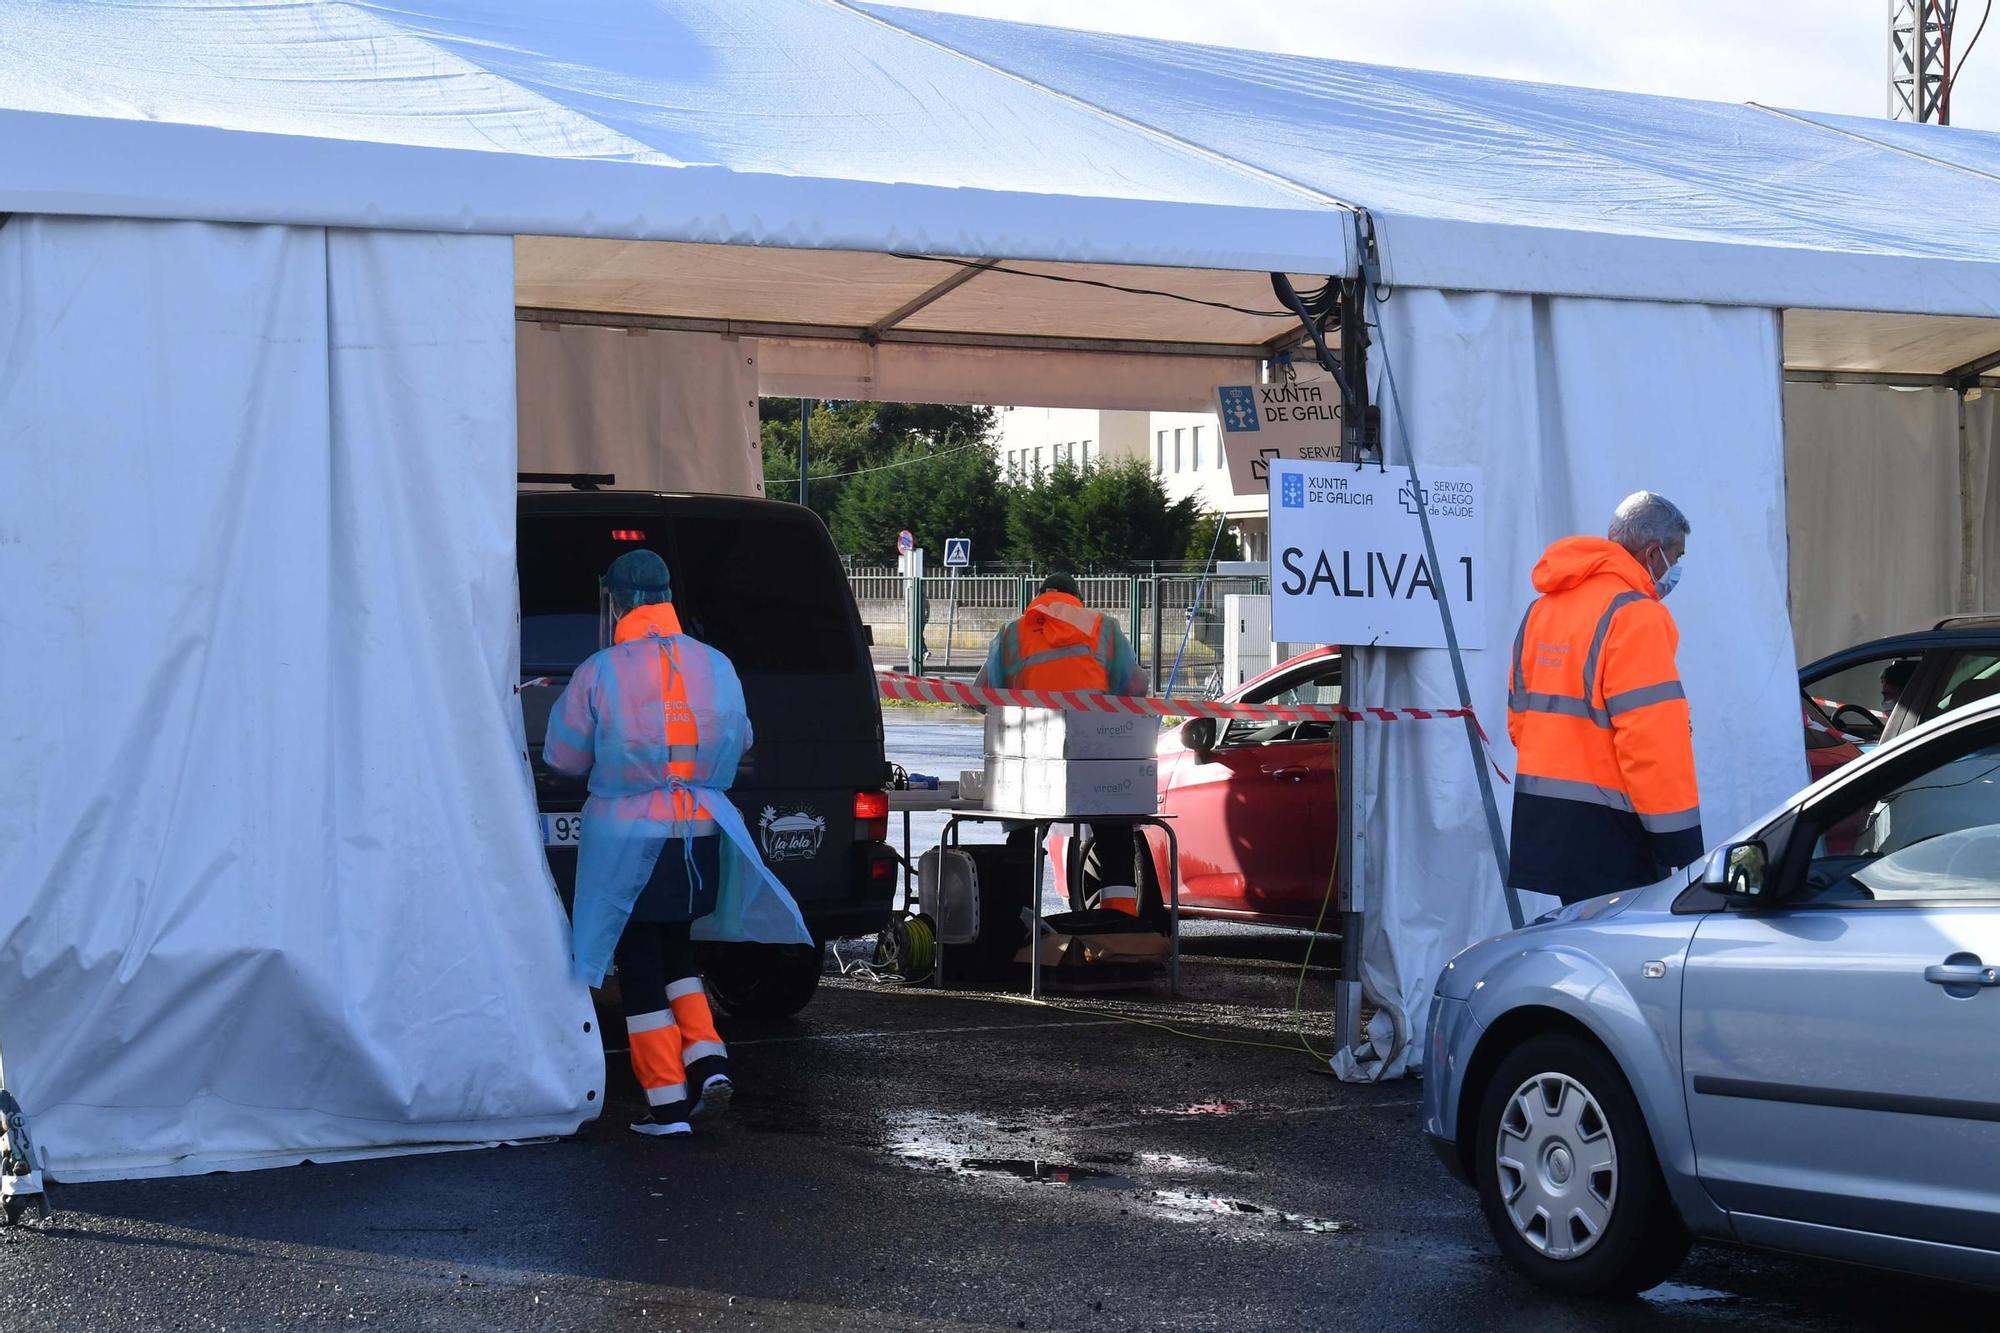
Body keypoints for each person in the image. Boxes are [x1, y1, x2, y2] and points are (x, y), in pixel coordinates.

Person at [544, 549, 809, 1138]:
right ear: (667, 597)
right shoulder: (717, 664)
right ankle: (708, 1061)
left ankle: (665, 1104)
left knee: (637, 964)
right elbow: (739, 739)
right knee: (677, 953)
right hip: (700, 832)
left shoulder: (602, 669)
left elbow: (561, 755)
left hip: (627, 840)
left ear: (614, 600)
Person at [1507, 492, 1701, 905]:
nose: (1676, 569)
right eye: (1676, 556)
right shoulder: (1636, 615)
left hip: (1547, 821)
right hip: (1614, 833)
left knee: (1576, 951)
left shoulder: (1542, 609)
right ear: (1652, 553)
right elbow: (1651, 742)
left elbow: (1520, 720)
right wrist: (1679, 843)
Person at [978, 574, 1150, 916]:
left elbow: (982, 695)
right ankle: (1118, 931)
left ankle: (1021, 927)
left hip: (1031, 754)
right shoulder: (1103, 628)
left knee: (1025, 840)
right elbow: (1135, 688)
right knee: (1114, 836)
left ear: (1040, 595)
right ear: (1077, 598)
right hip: (1096, 752)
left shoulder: (1012, 633)